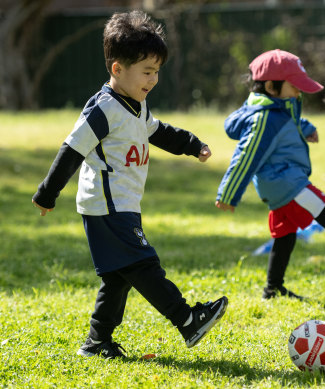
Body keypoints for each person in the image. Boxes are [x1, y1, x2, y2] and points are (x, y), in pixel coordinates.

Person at [31, 11, 228, 359]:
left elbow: (157, 131)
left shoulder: (136, 104)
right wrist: (48, 193)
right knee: (141, 263)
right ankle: (187, 319)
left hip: (122, 204)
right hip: (106, 205)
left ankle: (96, 342)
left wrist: (192, 144)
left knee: (119, 276)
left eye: (156, 71)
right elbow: (72, 149)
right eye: (146, 71)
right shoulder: (103, 109)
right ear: (117, 69)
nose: (153, 79)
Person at [215, 50, 325, 300]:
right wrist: (229, 192)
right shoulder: (264, 119)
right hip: (285, 181)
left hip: (280, 182)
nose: (299, 93)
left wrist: (306, 128)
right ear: (271, 86)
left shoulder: (275, 109)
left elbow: (289, 120)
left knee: (284, 234)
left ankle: (273, 288)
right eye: (295, 87)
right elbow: (247, 156)